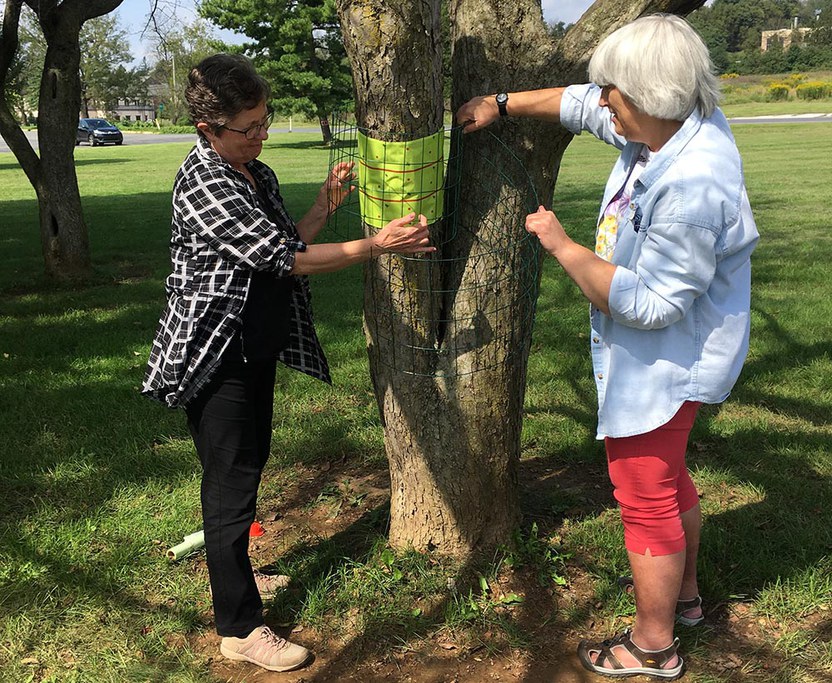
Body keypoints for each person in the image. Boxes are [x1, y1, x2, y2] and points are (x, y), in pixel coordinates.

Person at [456, 14, 758, 680]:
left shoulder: (693, 183)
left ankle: (653, 646)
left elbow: (651, 305)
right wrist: (501, 104)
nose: (604, 105)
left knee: (645, 492)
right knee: (668, 477)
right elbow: (579, 103)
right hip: (666, 355)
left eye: (614, 94)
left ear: (648, 96)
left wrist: (563, 247)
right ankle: (684, 601)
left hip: (666, 361)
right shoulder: (664, 121)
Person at [142, 53, 434, 674]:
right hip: (213, 355)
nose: (261, 135)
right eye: (247, 128)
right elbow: (287, 261)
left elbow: (290, 241)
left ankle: (236, 574)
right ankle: (240, 628)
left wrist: (327, 205)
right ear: (208, 130)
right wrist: (376, 245)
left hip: (254, 344)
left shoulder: (253, 172)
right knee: (229, 481)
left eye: (264, 121)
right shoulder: (204, 184)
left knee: (248, 464)